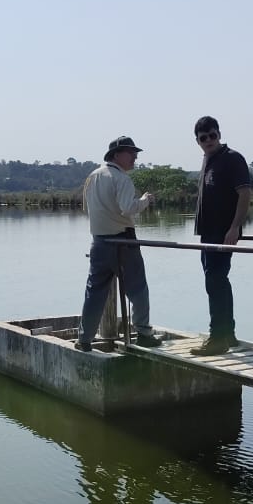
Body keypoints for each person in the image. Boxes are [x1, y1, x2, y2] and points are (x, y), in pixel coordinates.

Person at [75, 136, 161, 351]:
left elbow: (86, 209)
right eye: (130, 152)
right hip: (123, 240)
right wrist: (145, 200)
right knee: (138, 288)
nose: (135, 156)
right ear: (116, 155)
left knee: (94, 292)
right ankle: (143, 332)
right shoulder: (121, 178)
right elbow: (127, 208)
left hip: (99, 242)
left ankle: (84, 339)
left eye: (135, 153)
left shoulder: (92, 177)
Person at [190, 116, 253, 356]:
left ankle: (218, 337)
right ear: (197, 141)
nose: (208, 141)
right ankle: (227, 334)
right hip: (208, 233)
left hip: (223, 232)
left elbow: (245, 193)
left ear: (219, 134)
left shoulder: (231, 159)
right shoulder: (208, 160)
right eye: (203, 138)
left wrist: (235, 226)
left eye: (212, 135)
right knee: (215, 280)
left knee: (215, 280)